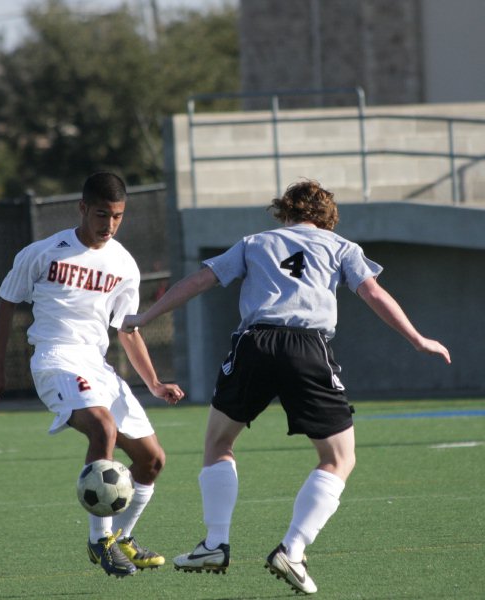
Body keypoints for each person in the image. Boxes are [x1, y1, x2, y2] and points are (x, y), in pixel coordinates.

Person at [121, 179, 450, 594]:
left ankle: (215, 543)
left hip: (253, 344)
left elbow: (199, 281)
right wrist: (418, 339)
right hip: (307, 348)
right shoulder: (341, 247)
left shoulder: (255, 241)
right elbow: (373, 293)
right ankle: (292, 549)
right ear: (328, 218)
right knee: (338, 458)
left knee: (219, 443)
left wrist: (145, 317)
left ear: (285, 212)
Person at [0, 172, 185, 578]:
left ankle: (122, 538)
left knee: (152, 461)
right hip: (55, 358)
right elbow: (6, 303)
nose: (108, 224)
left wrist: (155, 383)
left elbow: (127, 329)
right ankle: (99, 541)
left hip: (98, 366)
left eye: (117, 216)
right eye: (101, 214)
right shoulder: (42, 252)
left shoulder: (124, 263)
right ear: (82, 208)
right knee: (103, 428)